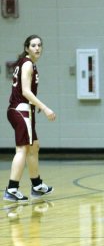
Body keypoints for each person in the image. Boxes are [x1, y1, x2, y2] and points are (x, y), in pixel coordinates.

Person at [4, 35, 56, 203]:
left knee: (34, 147)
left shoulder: (25, 63)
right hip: (21, 111)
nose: (37, 48)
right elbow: (26, 92)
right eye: (33, 45)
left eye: (40, 45)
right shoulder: (27, 64)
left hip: (23, 110)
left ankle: (37, 185)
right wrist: (44, 107)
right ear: (26, 48)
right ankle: (12, 189)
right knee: (22, 149)